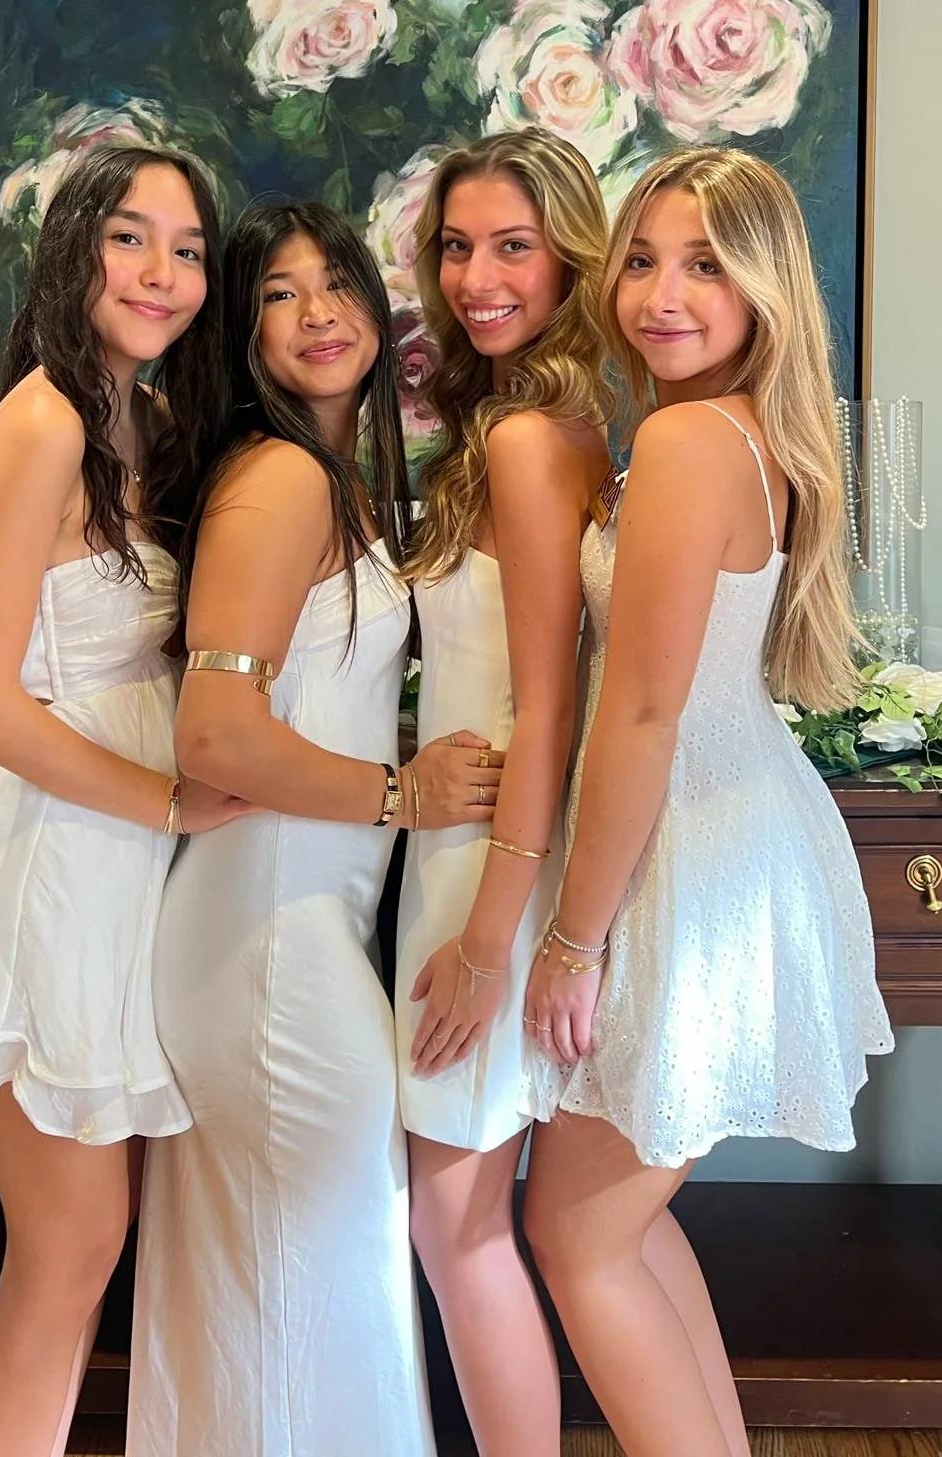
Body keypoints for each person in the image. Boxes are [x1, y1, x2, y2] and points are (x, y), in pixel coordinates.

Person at [0, 145, 238, 1457]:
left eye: (187, 249)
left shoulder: (151, 420)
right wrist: (169, 804)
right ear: (76, 249)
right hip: (48, 865)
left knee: (93, 1247)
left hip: (117, 872)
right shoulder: (43, 418)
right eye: (134, 239)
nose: (163, 273)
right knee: (70, 1249)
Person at [522, 146, 894, 1457]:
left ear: (764, 289)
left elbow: (639, 714)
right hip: (732, 838)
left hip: (698, 852)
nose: (661, 294)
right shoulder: (742, 434)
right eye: (641, 260)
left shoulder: (688, 439)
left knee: (575, 1232)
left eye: (704, 265)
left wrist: (572, 939)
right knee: (618, 1221)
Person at [127, 200, 500, 1457]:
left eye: (335, 281)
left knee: (279, 1285)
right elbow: (215, 734)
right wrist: (404, 795)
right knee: (321, 1272)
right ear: (242, 331)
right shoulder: (281, 478)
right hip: (267, 951)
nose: (319, 312)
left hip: (288, 928)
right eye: (278, 294)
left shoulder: (333, 481)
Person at [395, 131, 611, 1457]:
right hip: (478, 851)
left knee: (459, 1224)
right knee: (465, 1223)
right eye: (457, 246)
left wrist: (488, 940)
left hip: (494, 864)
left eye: (511, 246)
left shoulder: (532, 441)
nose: (476, 275)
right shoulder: (541, 422)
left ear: (568, 259)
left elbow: (550, 705)